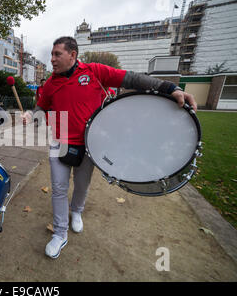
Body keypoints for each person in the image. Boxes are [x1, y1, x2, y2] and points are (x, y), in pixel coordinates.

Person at [22, 36, 197, 259]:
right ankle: (59, 233)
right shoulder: (50, 83)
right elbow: (41, 107)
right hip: (60, 143)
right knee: (58, 188)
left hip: (90, 144)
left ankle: (76, 211)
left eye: (57, 54)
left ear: (72, 55)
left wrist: (170, 88)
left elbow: (132, 79)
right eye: (52, 54)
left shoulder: (94, 71)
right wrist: (31, 114)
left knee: (82, 184)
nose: (52, 59)